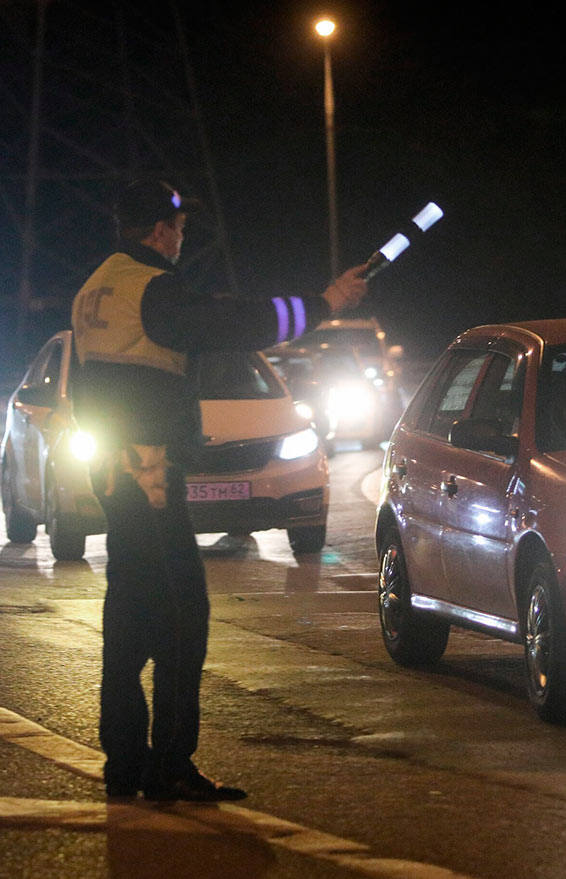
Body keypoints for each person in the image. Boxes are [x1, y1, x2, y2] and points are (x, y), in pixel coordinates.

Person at [70, 179, 368, 804]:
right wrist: (324, 302)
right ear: (159, 231)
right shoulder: (154, 287)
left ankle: (123, 760)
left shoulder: (98, 283)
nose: (182, 240)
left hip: (117, 473)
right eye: (179, 230)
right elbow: (235, 322)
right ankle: (170, 765)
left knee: (129, 612)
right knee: (184, 616)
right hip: (149, 474)